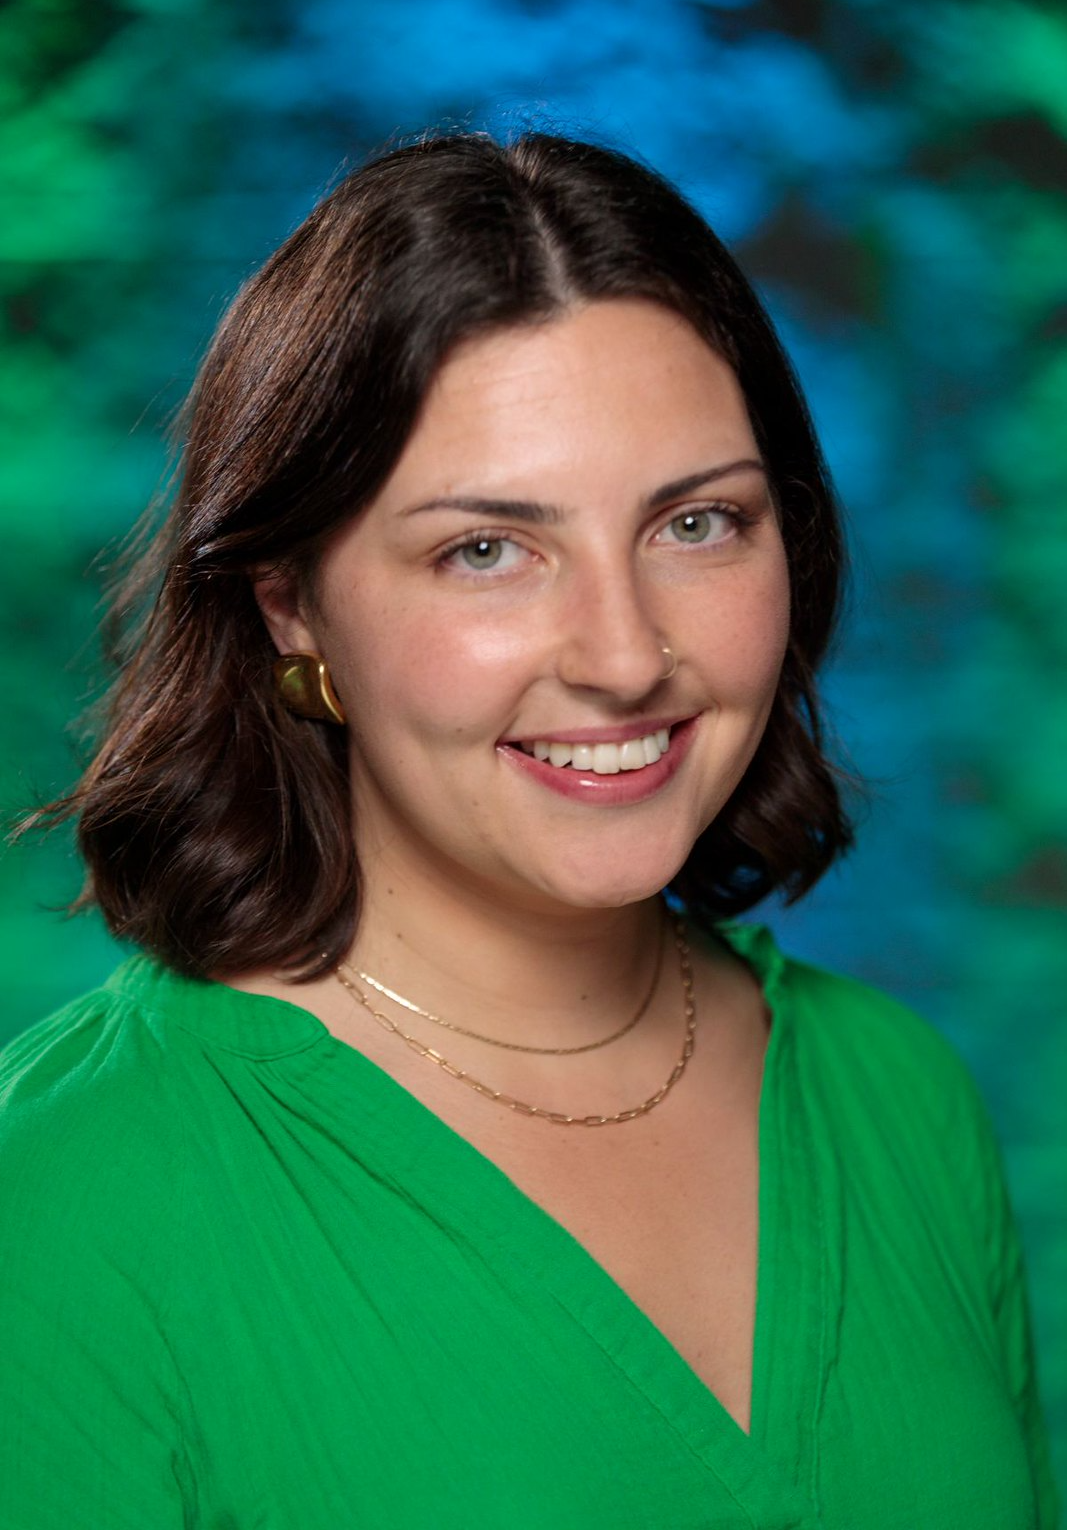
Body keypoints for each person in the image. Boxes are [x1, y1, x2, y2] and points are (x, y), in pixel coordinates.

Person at [0, 130, 1056, 1528]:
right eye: (484, 550)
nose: (622, 656)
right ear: (288, 604)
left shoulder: (896, 1098)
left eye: (695, 524)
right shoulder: (70, 1195)